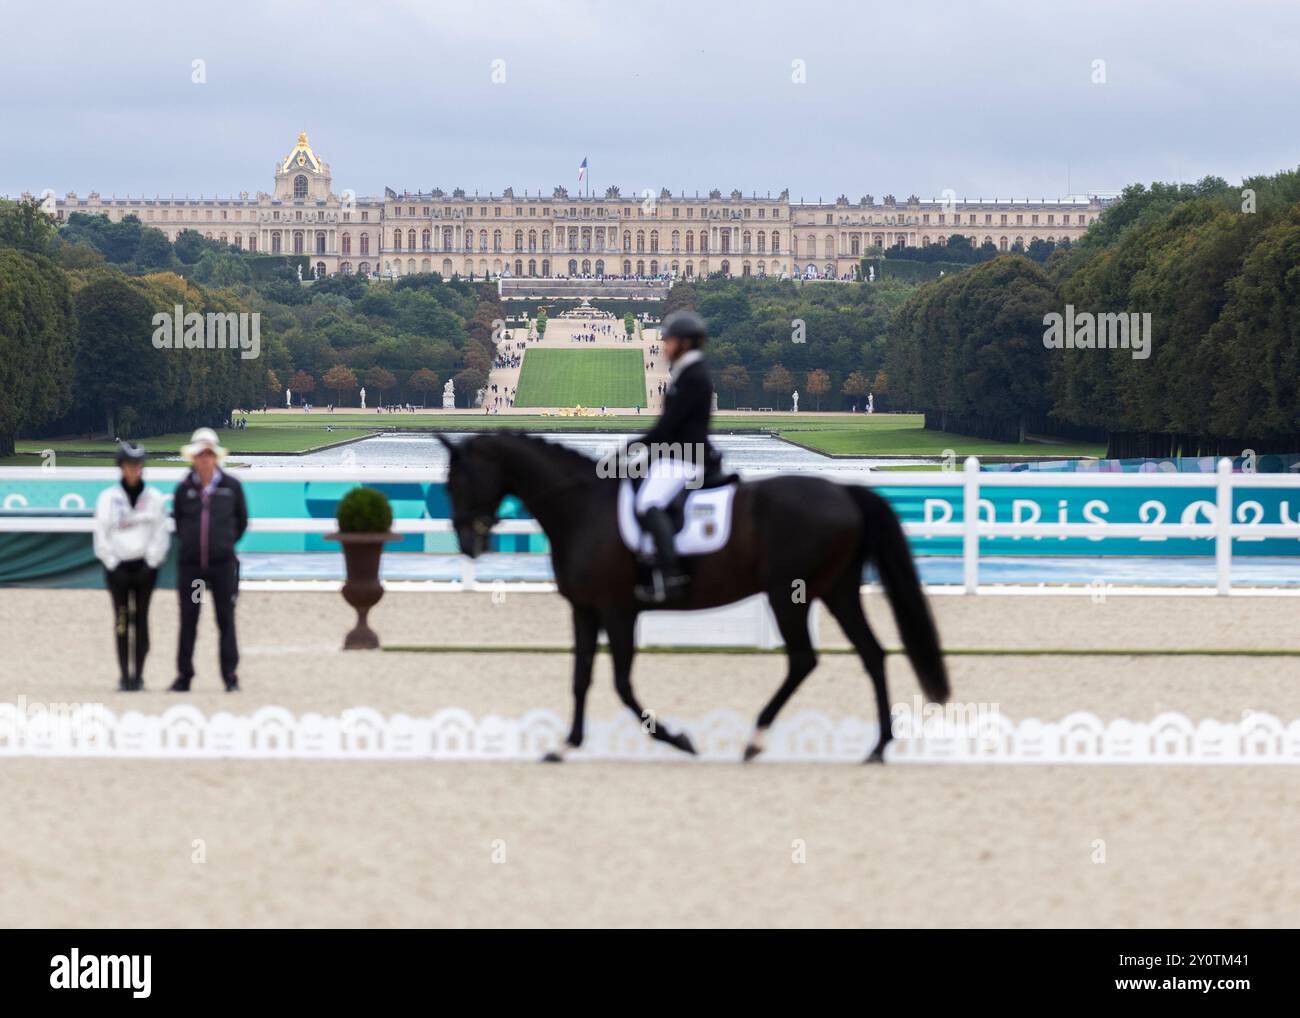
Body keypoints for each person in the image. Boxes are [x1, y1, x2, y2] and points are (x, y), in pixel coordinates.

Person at [630, 309, 722, 604]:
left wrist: (636, 445)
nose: (664, 346)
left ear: (683, 343)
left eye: (668, 341)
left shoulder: (693, 375)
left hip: (688, 456)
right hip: (679, 454)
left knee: (649, 502)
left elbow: (669, 425)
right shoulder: (689, 371)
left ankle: (671, 576)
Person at [170, 428, 248, 692]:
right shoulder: (184, 489)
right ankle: (184, 676)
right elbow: (179, 522)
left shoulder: (231, 487)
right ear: (193, 457)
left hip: (222, 567)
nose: (204, 459)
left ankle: (230, 677)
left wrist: (223, 545)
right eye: (200, 455)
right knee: (189, 618)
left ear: (215, 457)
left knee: (225, 619)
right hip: (193, 570)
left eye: (209, 454)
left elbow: (241, 521)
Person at [93, 441, 170, 691]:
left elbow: (160, 533)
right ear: (121, 467)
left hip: (145, 569)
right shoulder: (108, 498)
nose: (134, 469)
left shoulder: (154, 498)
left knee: (143, 620)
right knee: (122, 620)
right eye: (129, 465)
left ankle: (139, 676)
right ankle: (124, 676)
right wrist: (112, 563)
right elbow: (101, 533)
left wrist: (151, 562)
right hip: (118, 569)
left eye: (138, 465)